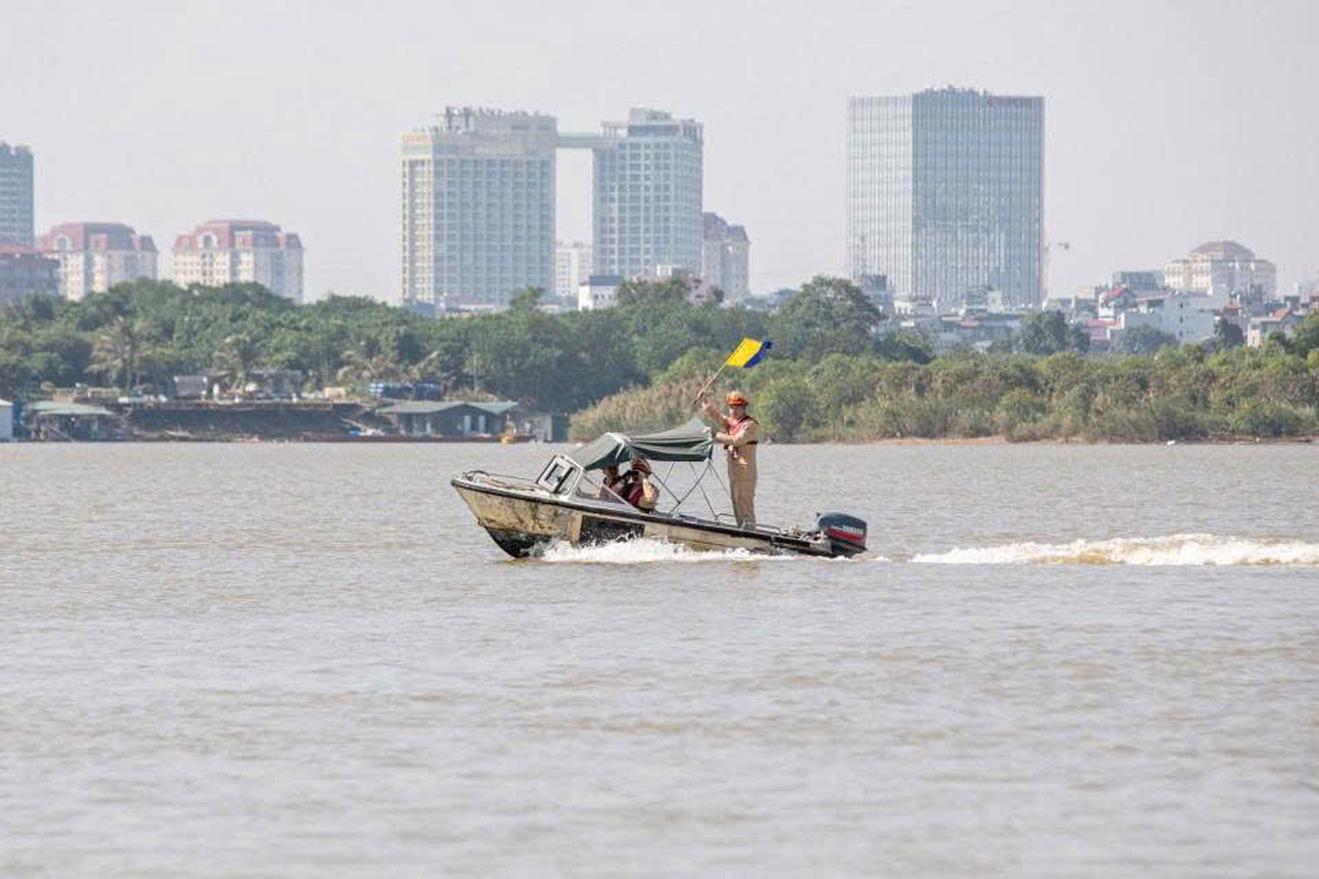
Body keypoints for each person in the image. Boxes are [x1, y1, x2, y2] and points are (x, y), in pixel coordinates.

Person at [699, 389, 759, 527]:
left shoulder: (750, 424)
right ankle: (740, 528)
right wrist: (704, 401)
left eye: (737, 407)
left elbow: (736, 440)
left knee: (744, 502)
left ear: (744, 407)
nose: (734, 410)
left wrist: (715, 434)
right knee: (736, 500)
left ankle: (750, 531)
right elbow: (717, 416)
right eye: (731, 407)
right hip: (733, 469)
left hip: (745, 470)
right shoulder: (732, 422)